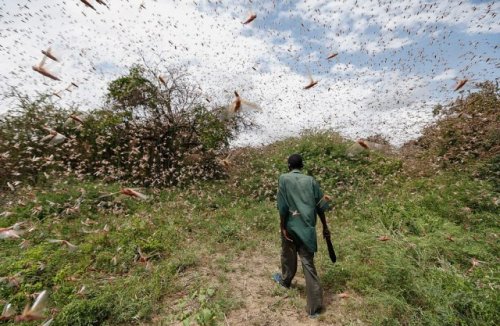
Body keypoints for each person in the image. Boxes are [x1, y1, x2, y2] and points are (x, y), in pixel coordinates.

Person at [273, 153, 331, 318]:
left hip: (291, 226)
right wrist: (325, 227)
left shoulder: (284, 178)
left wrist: (283, 226)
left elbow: (283, 206)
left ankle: (285, 281)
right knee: (308, 265)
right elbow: (321, 206)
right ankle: (314, 309)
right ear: (302, 166)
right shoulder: (311, 181)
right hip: (307, 229)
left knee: (288, 254)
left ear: (289, 166)